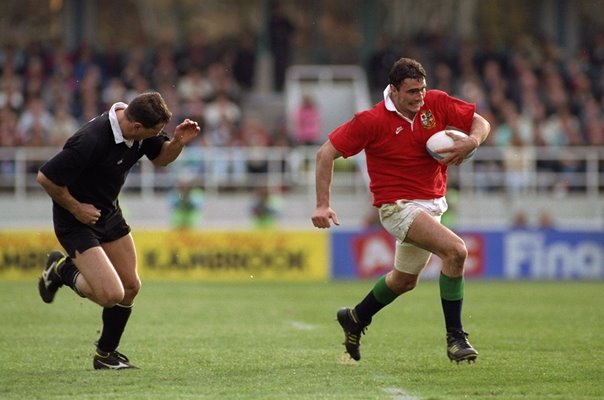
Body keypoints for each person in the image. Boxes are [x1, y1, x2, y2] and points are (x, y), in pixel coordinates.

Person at [311, 58, 491, 363]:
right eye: (411, 92)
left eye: (422, 89)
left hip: (431, 205)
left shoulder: (435, 103)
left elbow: (481, 123)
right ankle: (456, 338)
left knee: (404, 281)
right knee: (456, 252)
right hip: (397, 208)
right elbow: (325, 153)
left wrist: (471, 141)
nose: (419, 97)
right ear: (393, 91)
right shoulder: (371, 120)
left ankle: (356, 317)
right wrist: (322, 204)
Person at [36, 91, 200, 370]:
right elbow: (46, 177)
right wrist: (76, 208)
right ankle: (61, 270)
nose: (157, 136)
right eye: (156, 132)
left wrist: (177, 143)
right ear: (136, 128)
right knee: (110, 294)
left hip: (109, 213)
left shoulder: (139, 126)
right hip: (75, 220)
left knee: (131, 287)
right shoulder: (89, 140)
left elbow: (161, 159)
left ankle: (105, 355)